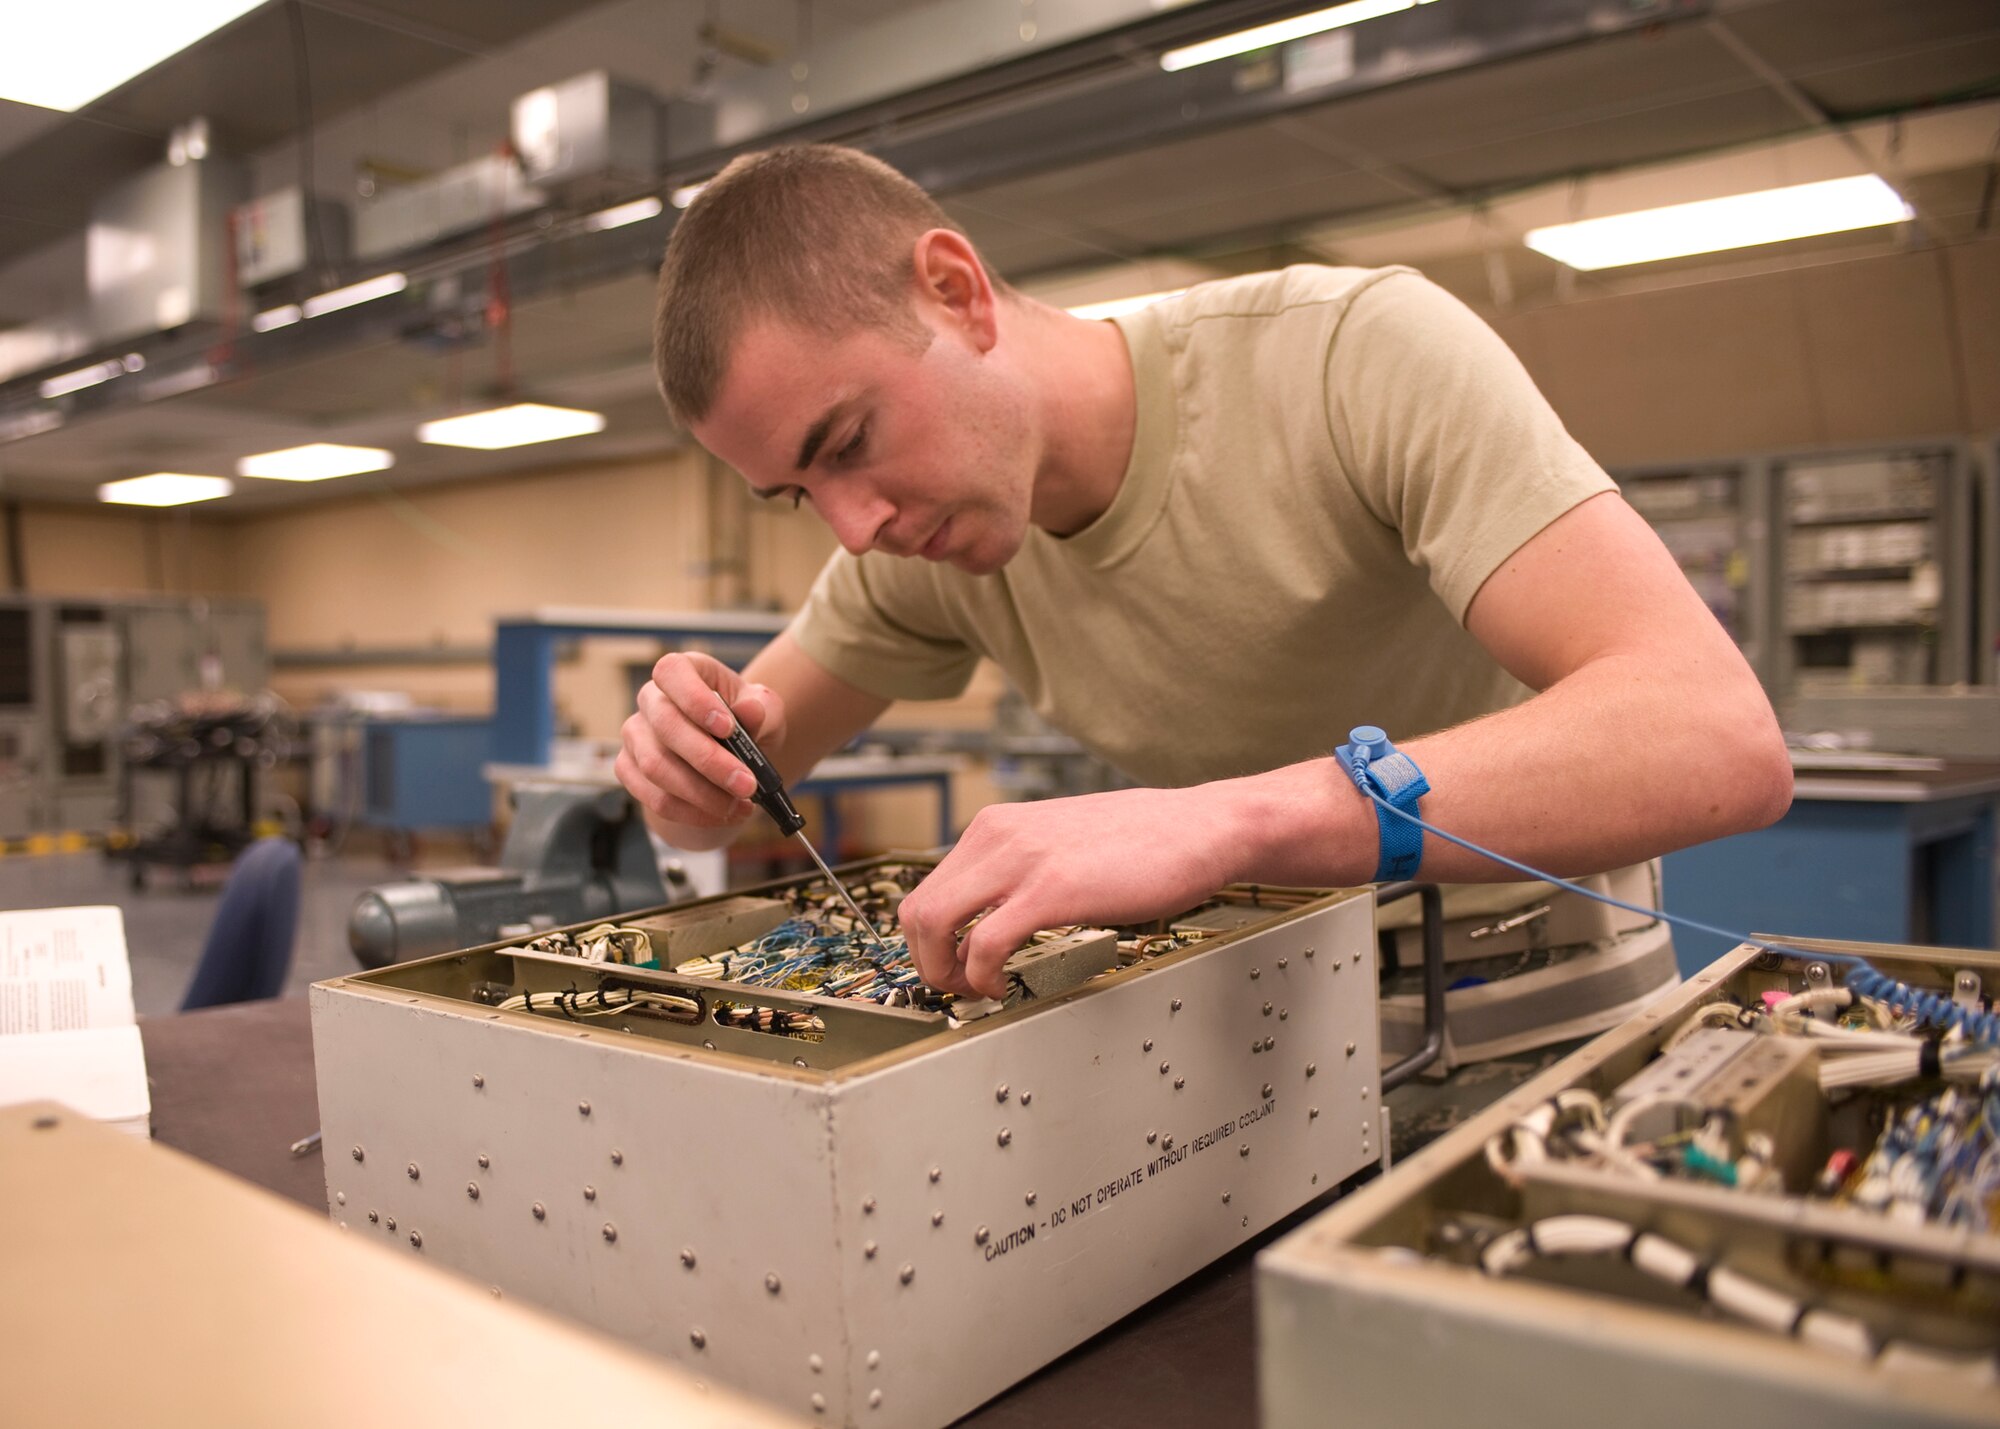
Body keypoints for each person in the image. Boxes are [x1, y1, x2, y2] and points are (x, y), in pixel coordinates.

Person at [617, 144, 1791, 1003]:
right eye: (796, 494)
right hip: (1232, 1048)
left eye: (845, 445)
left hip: (1532, 1018)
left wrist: (1221, 824)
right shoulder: (923, 536)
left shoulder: (1349, 355)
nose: (851, 528)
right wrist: (688, 770)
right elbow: (732, 784)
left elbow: (1713, 739)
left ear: (955, 293)